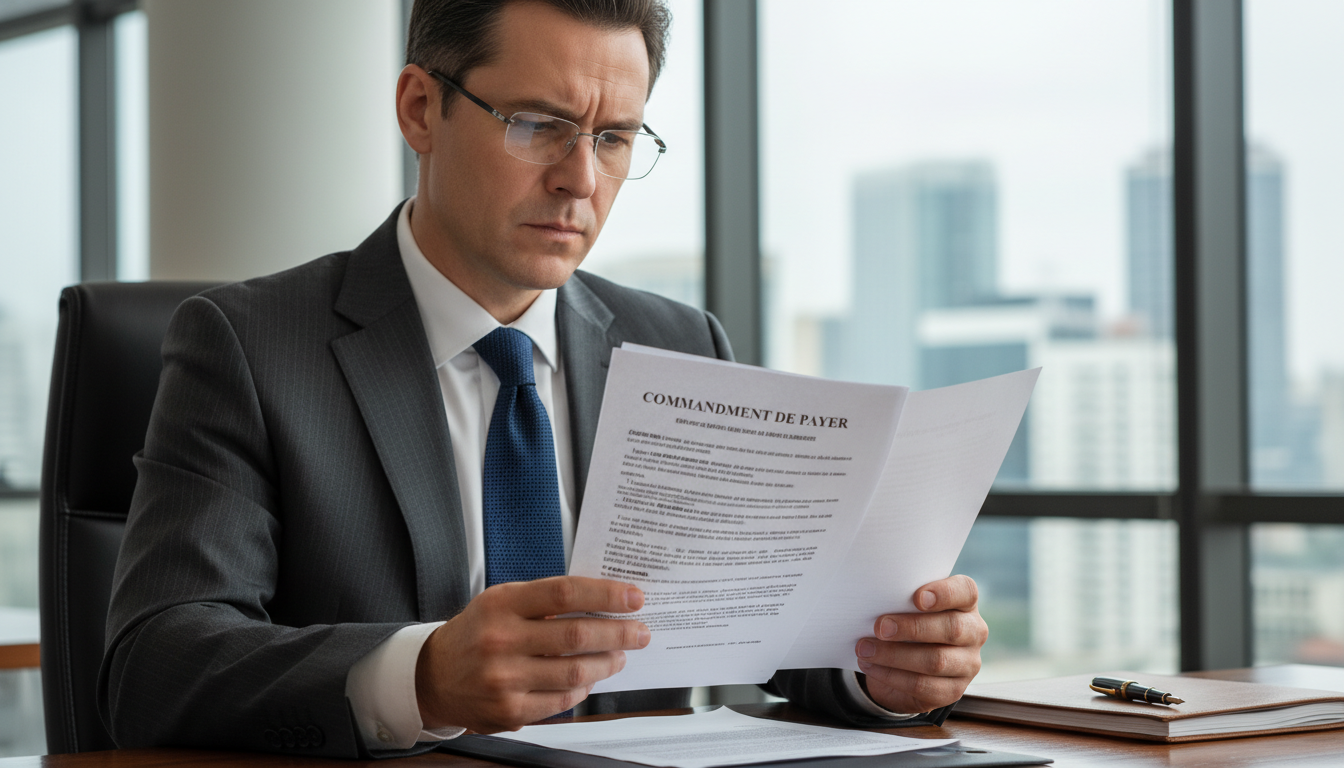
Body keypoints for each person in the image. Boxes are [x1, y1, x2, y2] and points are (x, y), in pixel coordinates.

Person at [100, 0, 988, 758]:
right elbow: (157, 665)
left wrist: (881, 666)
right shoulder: (249, 347)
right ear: (419, 109)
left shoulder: (680, 341)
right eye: (538, 125)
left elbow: (766, 630)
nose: (580, 181)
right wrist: (423, 676)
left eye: (613, 138)